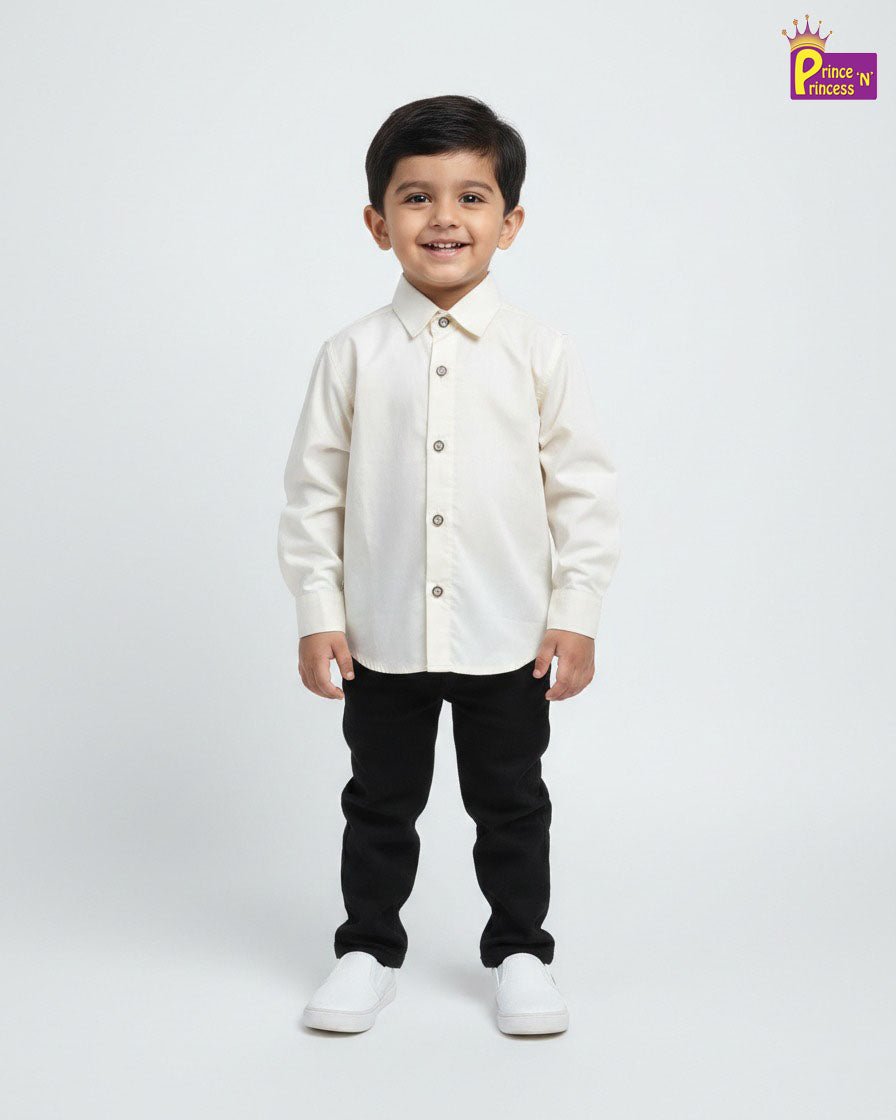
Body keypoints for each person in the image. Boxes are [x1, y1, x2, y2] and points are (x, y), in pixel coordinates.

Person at [277, 94, 622, 1035]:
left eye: (471, 197)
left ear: (510, 222)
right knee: (378, 803)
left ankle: (520, 954)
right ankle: (365, 949)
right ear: (376, 221)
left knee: (511, 804)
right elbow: (313, 495)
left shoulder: (541, 352)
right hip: (382, 635)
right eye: (416, 196)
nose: (444, 218)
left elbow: (583, 491)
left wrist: (577, 611)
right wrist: (318, 611)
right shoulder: (350, 355)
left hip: (506, 634)